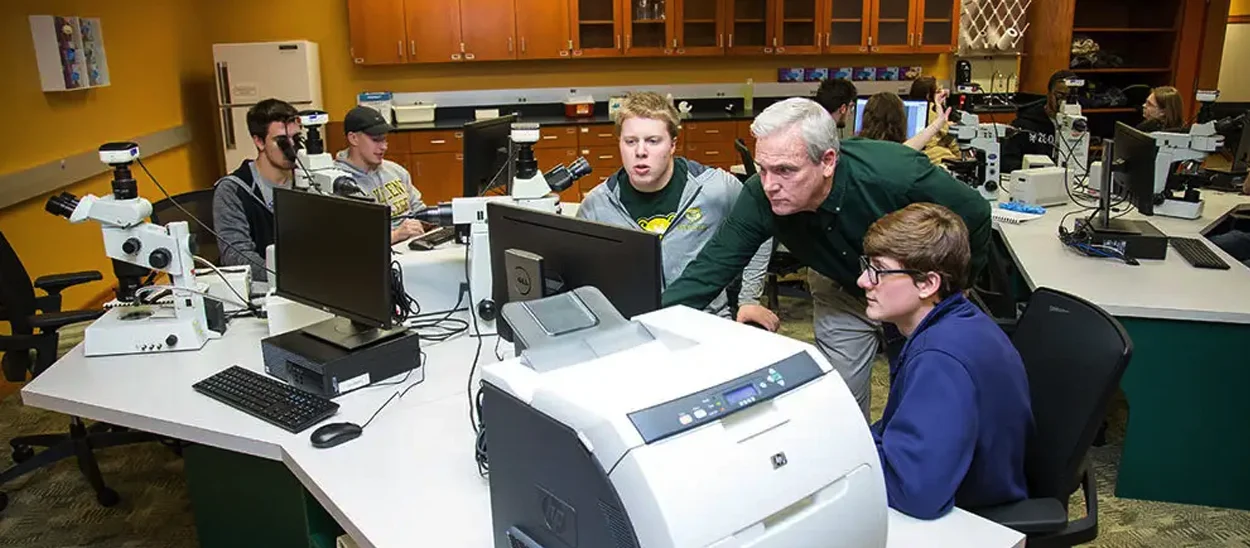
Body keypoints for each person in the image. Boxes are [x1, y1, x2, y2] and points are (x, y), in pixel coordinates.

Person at [661, 98, 992, 418]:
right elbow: (710, 271)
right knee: (839, 403)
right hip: (841, 289)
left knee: (926, 394)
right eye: (762, 170)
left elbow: (974, 213)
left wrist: (956, 289)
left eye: (785, 170)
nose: (769, 185)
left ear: (828, 161)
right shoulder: (760, 196)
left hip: (913, 294)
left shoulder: (894, 175)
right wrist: (638, 329)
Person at [858, 202, 1031, 519]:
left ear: (927, 283)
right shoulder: (961, 320)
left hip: (969, 513)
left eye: (878, 270)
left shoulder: (939, 359)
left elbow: (916, 493)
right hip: (977, 478)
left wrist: (843, 455)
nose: (863, 281)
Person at [577, 92, 776, 325]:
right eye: (631, 141)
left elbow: (760, 226)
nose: (640, 151)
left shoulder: (715, 188)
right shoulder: (597, 205)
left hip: (707, 323)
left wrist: (748, 299)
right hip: (632, 328)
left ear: (672, 145)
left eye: (653, 141)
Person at [213, 98, 301, 282]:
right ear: (259, 142)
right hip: (263, 289)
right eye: (282, 141)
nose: (292, 148)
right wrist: (288, 278)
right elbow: (236, 256)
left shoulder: (309, 181)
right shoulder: (233, 190)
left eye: (296, 139)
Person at [334, 106, 427, 244]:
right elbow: (348, 241)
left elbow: (420, 210)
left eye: (384, 139)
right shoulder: (338, 183)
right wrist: (395, 235)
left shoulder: (396, 171)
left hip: (413, 246)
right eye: (376, 140)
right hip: (376, 257)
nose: (384, 147)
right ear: (353, 138)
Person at [1001, 70, 1076, 173]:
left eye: (1069, 98)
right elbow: (1007, 161)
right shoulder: (1025, 124)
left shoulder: (1077, 124)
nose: (1064, 102)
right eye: (1060, 96)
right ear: (1049, 93)